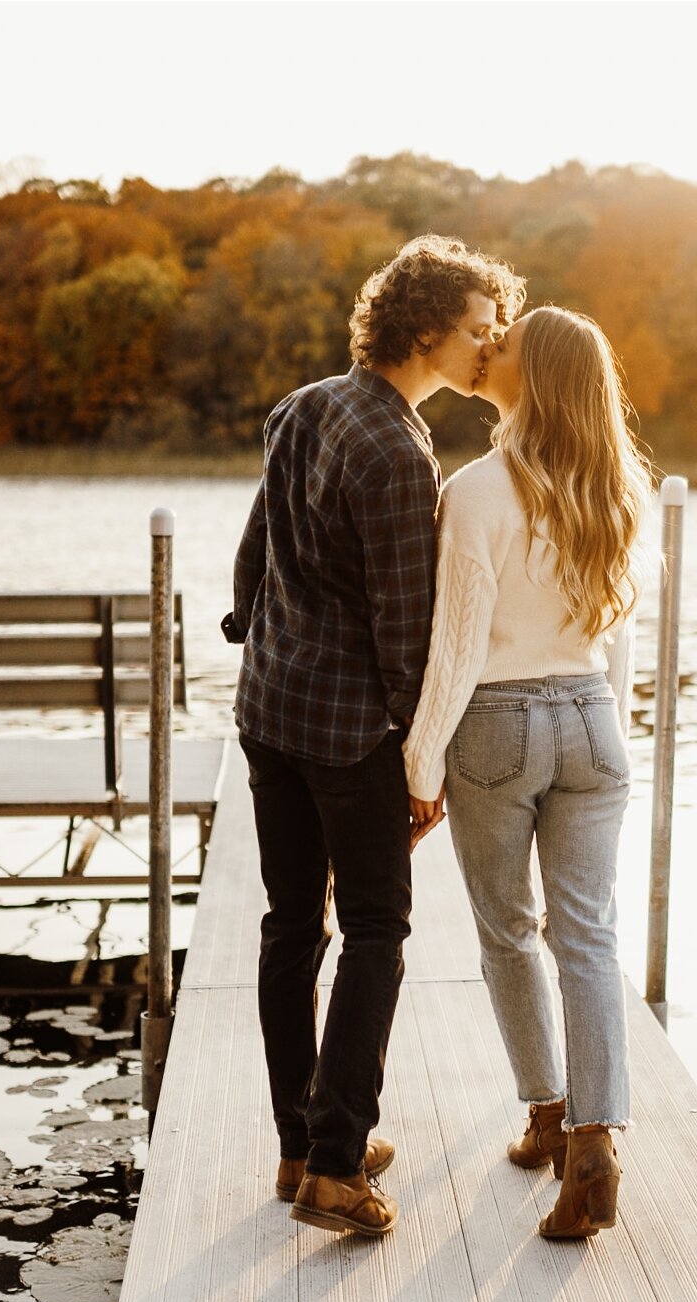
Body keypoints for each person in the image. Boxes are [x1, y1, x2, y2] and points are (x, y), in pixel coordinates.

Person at [224, 235, 523, 1237]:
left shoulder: (303, 406)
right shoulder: (400, 449)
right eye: (478, 329)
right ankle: (338, 1167)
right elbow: (406, 628)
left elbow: (254, 550)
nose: (490, 346)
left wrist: (251, 631)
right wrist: (420, 758)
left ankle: (297, 1142)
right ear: (427, 328)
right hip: (348, 730)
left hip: (269, 713)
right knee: (377, 931)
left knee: (288, 926)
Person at [403, 306, 654, 1239]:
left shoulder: (475, 493)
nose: (489, 349)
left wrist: (420, 765)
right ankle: (594, 1142)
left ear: (536, 378)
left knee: (509, 933)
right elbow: (617, 645)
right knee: (588, 939)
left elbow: (456, 648)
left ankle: (547, 1114)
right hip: (593, 720)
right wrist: (608, 733)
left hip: (496, 725)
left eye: (504, 346)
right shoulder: (619, 490)